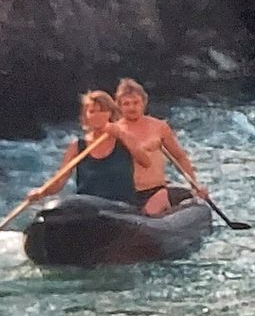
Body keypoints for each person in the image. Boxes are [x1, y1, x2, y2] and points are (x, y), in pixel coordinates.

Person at [107, 78, 209, 216]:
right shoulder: (113, 131)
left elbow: (179, 156)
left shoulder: (159, 127)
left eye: (136, 103)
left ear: (144, 102)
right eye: (126, 104)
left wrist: (195, 185)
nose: (132, 107)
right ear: (119, 106)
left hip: (155, 190)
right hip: (126, 193)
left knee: (154, 210)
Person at [29, 91, 138, 206]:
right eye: (92, 112)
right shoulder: (77, 146)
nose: (97, 116)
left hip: (120, 208)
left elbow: (145, 161)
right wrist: (41, 192)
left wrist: (122, 135)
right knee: (54, 206)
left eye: (102, 111)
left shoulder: (124, 139)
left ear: (110, 114)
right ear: (85, 116)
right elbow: (59, 181)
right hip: (86, 208)